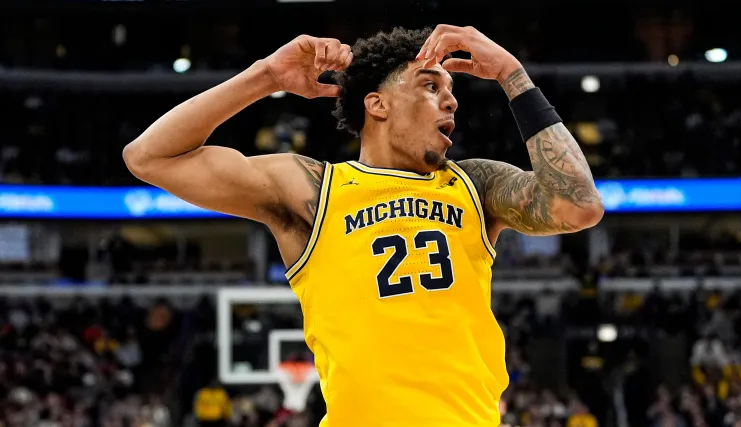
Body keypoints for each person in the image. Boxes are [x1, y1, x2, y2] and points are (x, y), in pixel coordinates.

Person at [123, 25, 604, 427]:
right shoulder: (314, 190)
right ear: (378, 104)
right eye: (430, 86)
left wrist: (512, 75)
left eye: (452, 92)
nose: (451, 102)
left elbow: (578, 205)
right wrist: (266, 75)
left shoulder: (474, 184)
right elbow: (149, 157)